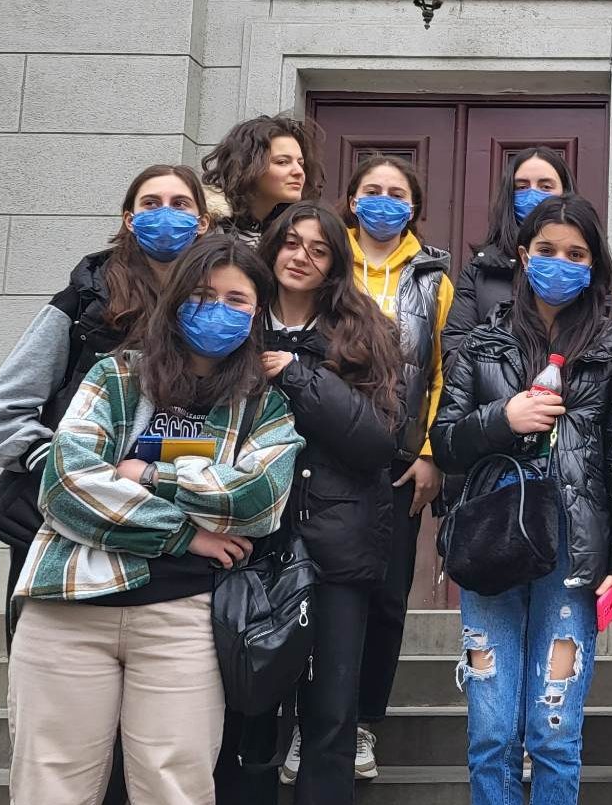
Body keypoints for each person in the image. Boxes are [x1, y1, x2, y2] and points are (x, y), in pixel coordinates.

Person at [8, 235, 304, 805]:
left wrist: (144, 474)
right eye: (202, 293)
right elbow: (67, 484)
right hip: (68, 607)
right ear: (174, 301)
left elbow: (256, 499)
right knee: (50, 787)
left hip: (181, 619)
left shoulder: (263, 404)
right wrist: (185, 533)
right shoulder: (115, 377)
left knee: (176, 789)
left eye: (237, 300)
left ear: (258, 312)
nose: (218, 308)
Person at [0, 163, 217, 805]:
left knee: (159, 757)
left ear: (204, 219)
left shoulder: (218, 309)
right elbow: (1, 412)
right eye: (150, 202)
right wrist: (67, 470)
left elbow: (222, 437)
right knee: (59, 747)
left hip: (166, 569)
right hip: (61, 540)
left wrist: (141, 459)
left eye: (180, 202)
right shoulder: (83, 298)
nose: (166, 213)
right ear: (128, 217)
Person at [429, 194, 612, 805]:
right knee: (492, 729)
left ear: (593, 262)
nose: (561, 263)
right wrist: (506, 417)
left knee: (554, 727)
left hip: (575, 543)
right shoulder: (483, 341)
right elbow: (445, 444)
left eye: (576, 254)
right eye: (548, 250)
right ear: (524, 256)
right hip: (491, 537)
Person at [219, 204, 404, 802]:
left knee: (330, 716)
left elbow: (377, 442)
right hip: (247, 546)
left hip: (338, 547)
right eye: (291, 244)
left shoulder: (365, 330)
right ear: (271, 249)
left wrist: (297, 374)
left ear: (334, 265)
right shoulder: (232, 321)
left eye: (318, 249)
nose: (301, 256)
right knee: (246, 712)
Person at [338, 154, 454, 777]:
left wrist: (432, 452)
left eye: (397, 192)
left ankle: (361, 726)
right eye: (371, 190)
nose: (384, 200)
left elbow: (442, 373)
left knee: (386, 597)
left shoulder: (433, 275)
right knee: (319, 594)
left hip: (398, 461)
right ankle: (314, 720)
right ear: (352, 200)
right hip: (324, 456)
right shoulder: (327, 260)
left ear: (413, 206)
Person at [449, 146, 575, 331]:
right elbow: (456, 341)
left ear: (565, 192)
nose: (533, 195)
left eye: (545, 187)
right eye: (522, 187)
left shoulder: (588, 265)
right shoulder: (479, 270)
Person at [200, 114, 320, 245]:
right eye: (282, 162)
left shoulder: (285, 231)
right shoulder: (207, 228)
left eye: (300, 163)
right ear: (247, 166)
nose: (299, 172)